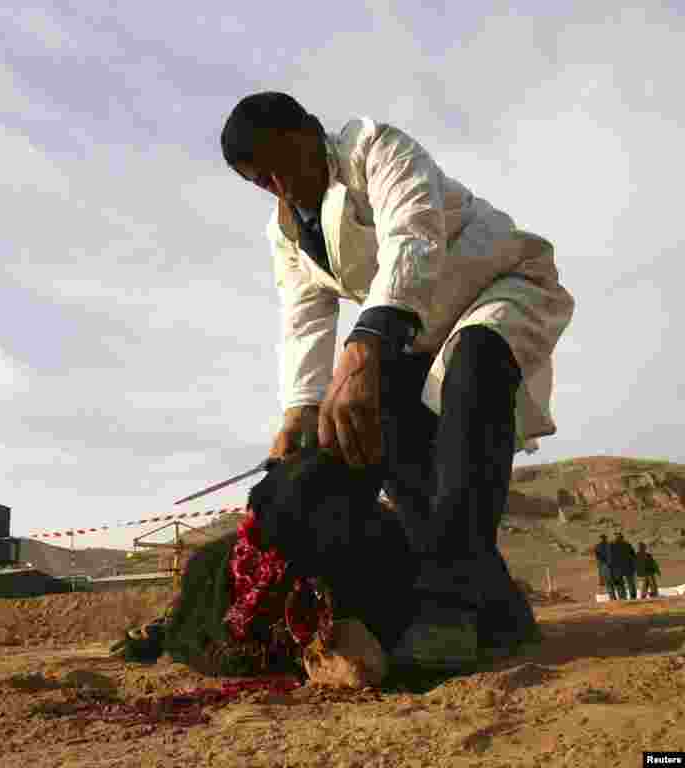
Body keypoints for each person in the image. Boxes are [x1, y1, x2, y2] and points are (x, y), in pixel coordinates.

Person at [220, 92, 575, 670]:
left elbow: (413, 235)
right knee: (384, 438)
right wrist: (299, 410)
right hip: (416, 329)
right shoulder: (285, 234)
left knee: (474, 371)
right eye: (264, 181)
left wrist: (362, 355)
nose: (282, 187)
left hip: (500, 288)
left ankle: (449, 608)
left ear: (313, 132)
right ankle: (499, 609)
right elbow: (305, 315)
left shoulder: (374, 148)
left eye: (286, 164)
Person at [609, 532, 637, 600]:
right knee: (627, 583)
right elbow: (633, 556)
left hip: (621, 568)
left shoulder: (612, 545)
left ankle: (624, 597)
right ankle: (629, 597)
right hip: (625, 567)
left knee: (623, 583)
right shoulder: (627, 545)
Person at [594, 534, 617, 601]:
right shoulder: (609, 545)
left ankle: (612, 597)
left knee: (609, 583)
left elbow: (598, 558)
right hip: (608, 566)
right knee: (610, 583)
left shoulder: (599, 546)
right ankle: (613, 597)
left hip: (606, 566)